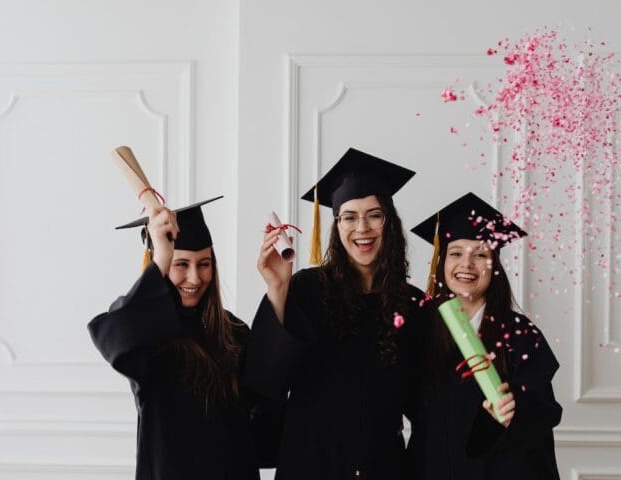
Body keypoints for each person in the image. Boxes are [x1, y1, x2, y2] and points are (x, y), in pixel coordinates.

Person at [245, 148, 423, 480]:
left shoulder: (412, 304)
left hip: (383, 467)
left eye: (374, 215)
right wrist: (277, 289)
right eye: (350, 216)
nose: (362, 228)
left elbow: (426, 402)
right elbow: (266, 381)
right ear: (336, 225)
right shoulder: (306, 289)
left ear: (390, 222)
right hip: (310, 463)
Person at [88, 196, 281, 480]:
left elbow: (267, 400)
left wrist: (277, 287)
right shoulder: (149, 333)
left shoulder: (233, 331)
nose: (195, 277)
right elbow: (115, 339)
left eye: (204, 264)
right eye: (181, 264)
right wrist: (162, 257)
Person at [408, 191, 562, 480]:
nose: (466, 265)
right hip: (433, 468)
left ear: (494, 268)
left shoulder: (519, 333)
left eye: (480, 255)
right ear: (441, 262)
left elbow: (545, 410)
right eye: (455, 253)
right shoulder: (421, 329)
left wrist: (512, 409)